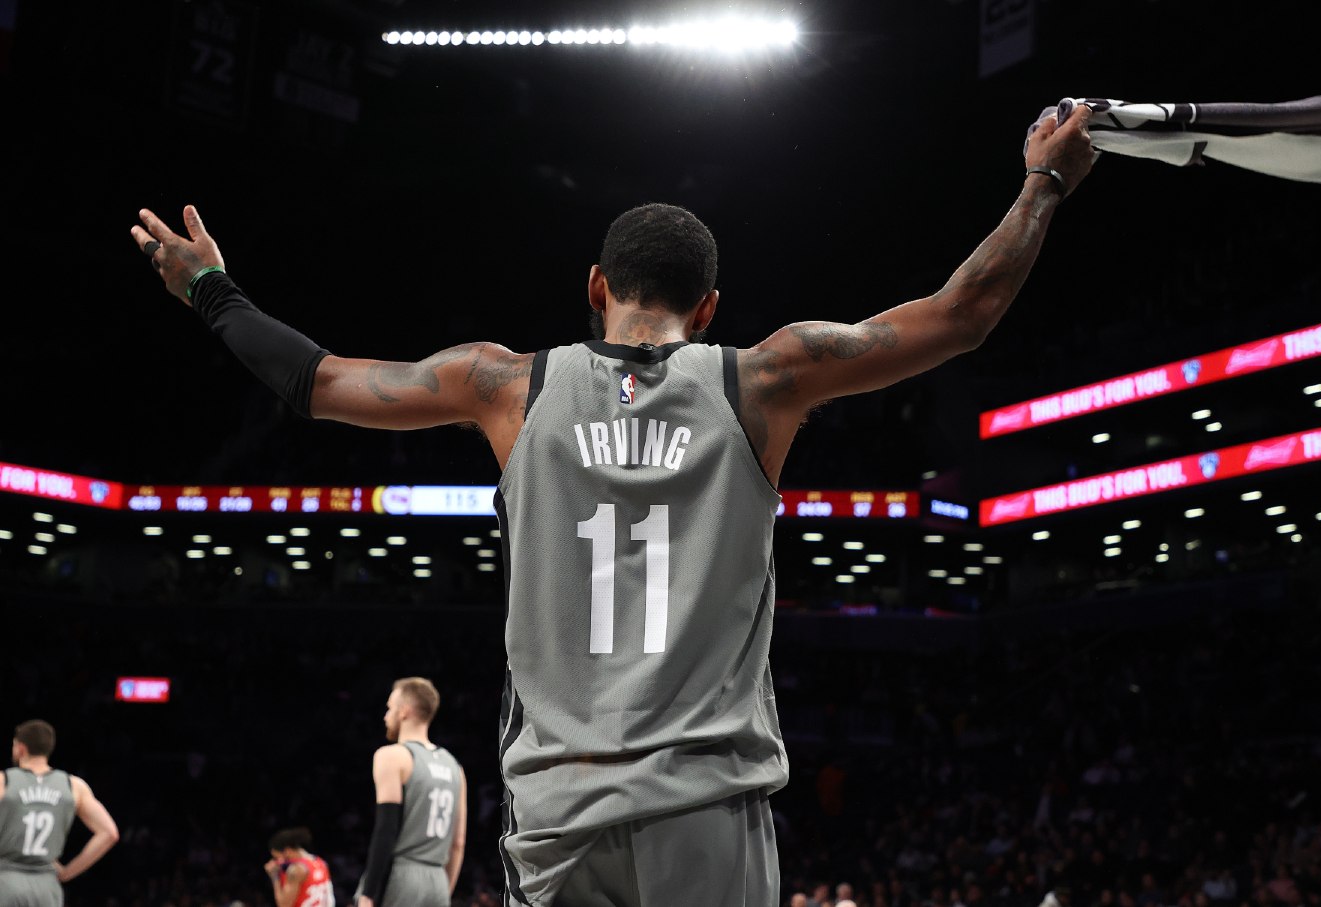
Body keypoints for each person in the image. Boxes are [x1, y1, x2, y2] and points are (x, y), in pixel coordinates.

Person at [130, 105, 1094, 907]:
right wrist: (1043, 182)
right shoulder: (766, 379)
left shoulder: (504, 385)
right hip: (706, 805)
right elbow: (961, 315)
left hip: (559, 809)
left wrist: (209, 288)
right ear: (708, 308)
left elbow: (319, 381)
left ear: (595, 288)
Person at [356, 678, 466, 907]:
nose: (386, 716)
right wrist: (443, 892)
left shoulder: (392, 756)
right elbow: (458, 843)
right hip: (437, 881)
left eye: (390, 708)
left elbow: (386, 829)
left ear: (404, 711)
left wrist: (368, 893)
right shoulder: (455, 767)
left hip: (401, 876)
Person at [0, 720, 120, 907]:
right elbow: (109, 833)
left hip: (6, 880)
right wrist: (67, 872)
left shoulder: (4, 781)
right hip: (47, 886)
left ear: (21, 748)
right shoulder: (73, 786)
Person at [264, 826, 335, 907]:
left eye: (276, 857)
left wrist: (274, 876)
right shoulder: (321, 862)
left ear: (287, 851)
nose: (277, 861)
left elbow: (284, 905)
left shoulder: (296, 870)